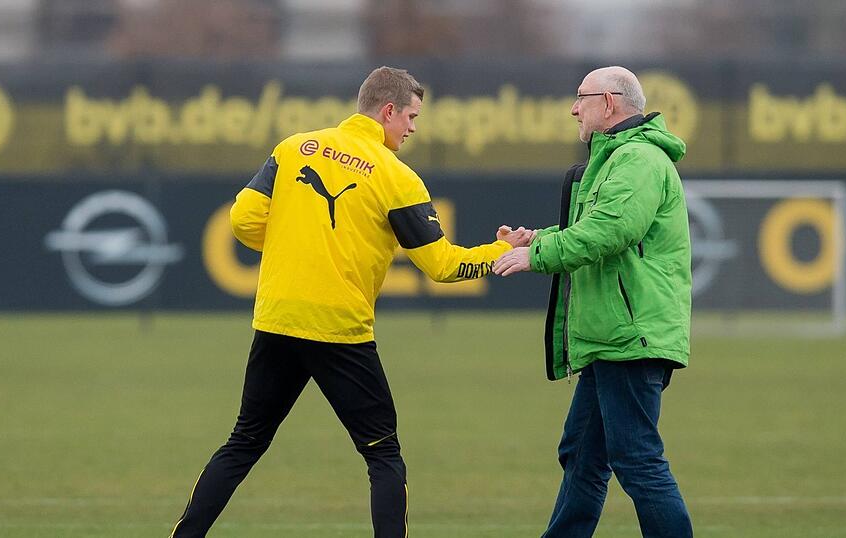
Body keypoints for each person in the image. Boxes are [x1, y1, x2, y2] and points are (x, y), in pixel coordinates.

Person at [169, 66, 533, 538]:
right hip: (339, 329)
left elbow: (242, 222)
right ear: (388, 111)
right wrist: (501, 252)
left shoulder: (294, 147)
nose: (413, 127)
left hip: (277, 319)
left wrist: (296, 245)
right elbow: (442, 266)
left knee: (245, 440)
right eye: (410, 116)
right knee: (382, 454)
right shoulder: (396, 177)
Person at [494, 66, 694, 537]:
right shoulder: (616, 161)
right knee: (581, 454)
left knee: (637, 458)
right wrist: (540, 237)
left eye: (580, 98)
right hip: (612, 337)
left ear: (608, 103)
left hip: (631, 335)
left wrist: (536, 255)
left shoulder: (639, 160)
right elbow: (597, 230)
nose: (572, 108)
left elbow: (610, 232)